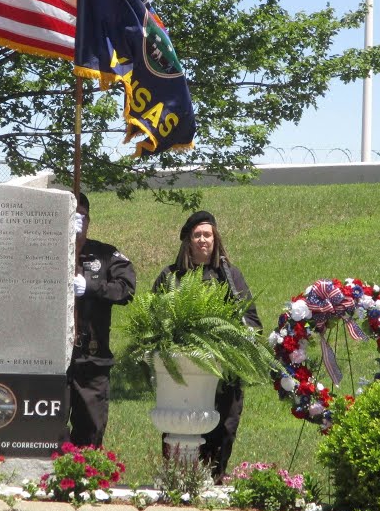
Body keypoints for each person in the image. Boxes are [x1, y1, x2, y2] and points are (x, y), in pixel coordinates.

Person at [153, 210, 261, 481]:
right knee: (180, 426)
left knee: (224, 427)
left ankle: (213, 480)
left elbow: (252, 321)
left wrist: (244, 338)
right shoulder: (171, 276)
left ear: (216, 239)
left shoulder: (229, 276)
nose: (203, 240)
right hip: (183, 372)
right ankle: (177, 481)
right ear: (188, 241)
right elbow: (153, 320)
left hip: (223, 371)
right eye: (197, 235)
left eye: (208, 235)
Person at [67, 192, 137, 447]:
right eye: (71, 216)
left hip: (92, 356)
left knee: (91, 428)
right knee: (49, 427)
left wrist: (93, 288)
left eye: (82, 216)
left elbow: (126, 289)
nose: (79, 222)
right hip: (54, 359)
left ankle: (84, 477)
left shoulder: (105, 254)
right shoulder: (47, 252)